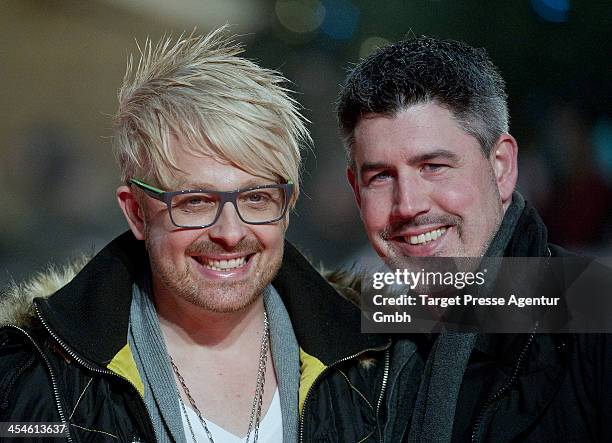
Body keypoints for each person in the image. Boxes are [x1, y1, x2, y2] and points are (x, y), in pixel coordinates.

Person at [0, 28, 392, 443]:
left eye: (257, 198)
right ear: (136, 212)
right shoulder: (33, 375)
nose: (230, 232)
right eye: (195, 202)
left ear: (289, 205)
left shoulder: (377, 337)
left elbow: (464, 300)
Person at [336, 37, 611, 442]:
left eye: (433, 166)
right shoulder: (353, 333)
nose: (407, 205)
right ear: (356, 191)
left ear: (500, 167)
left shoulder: (593, 311)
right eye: (381, 177)